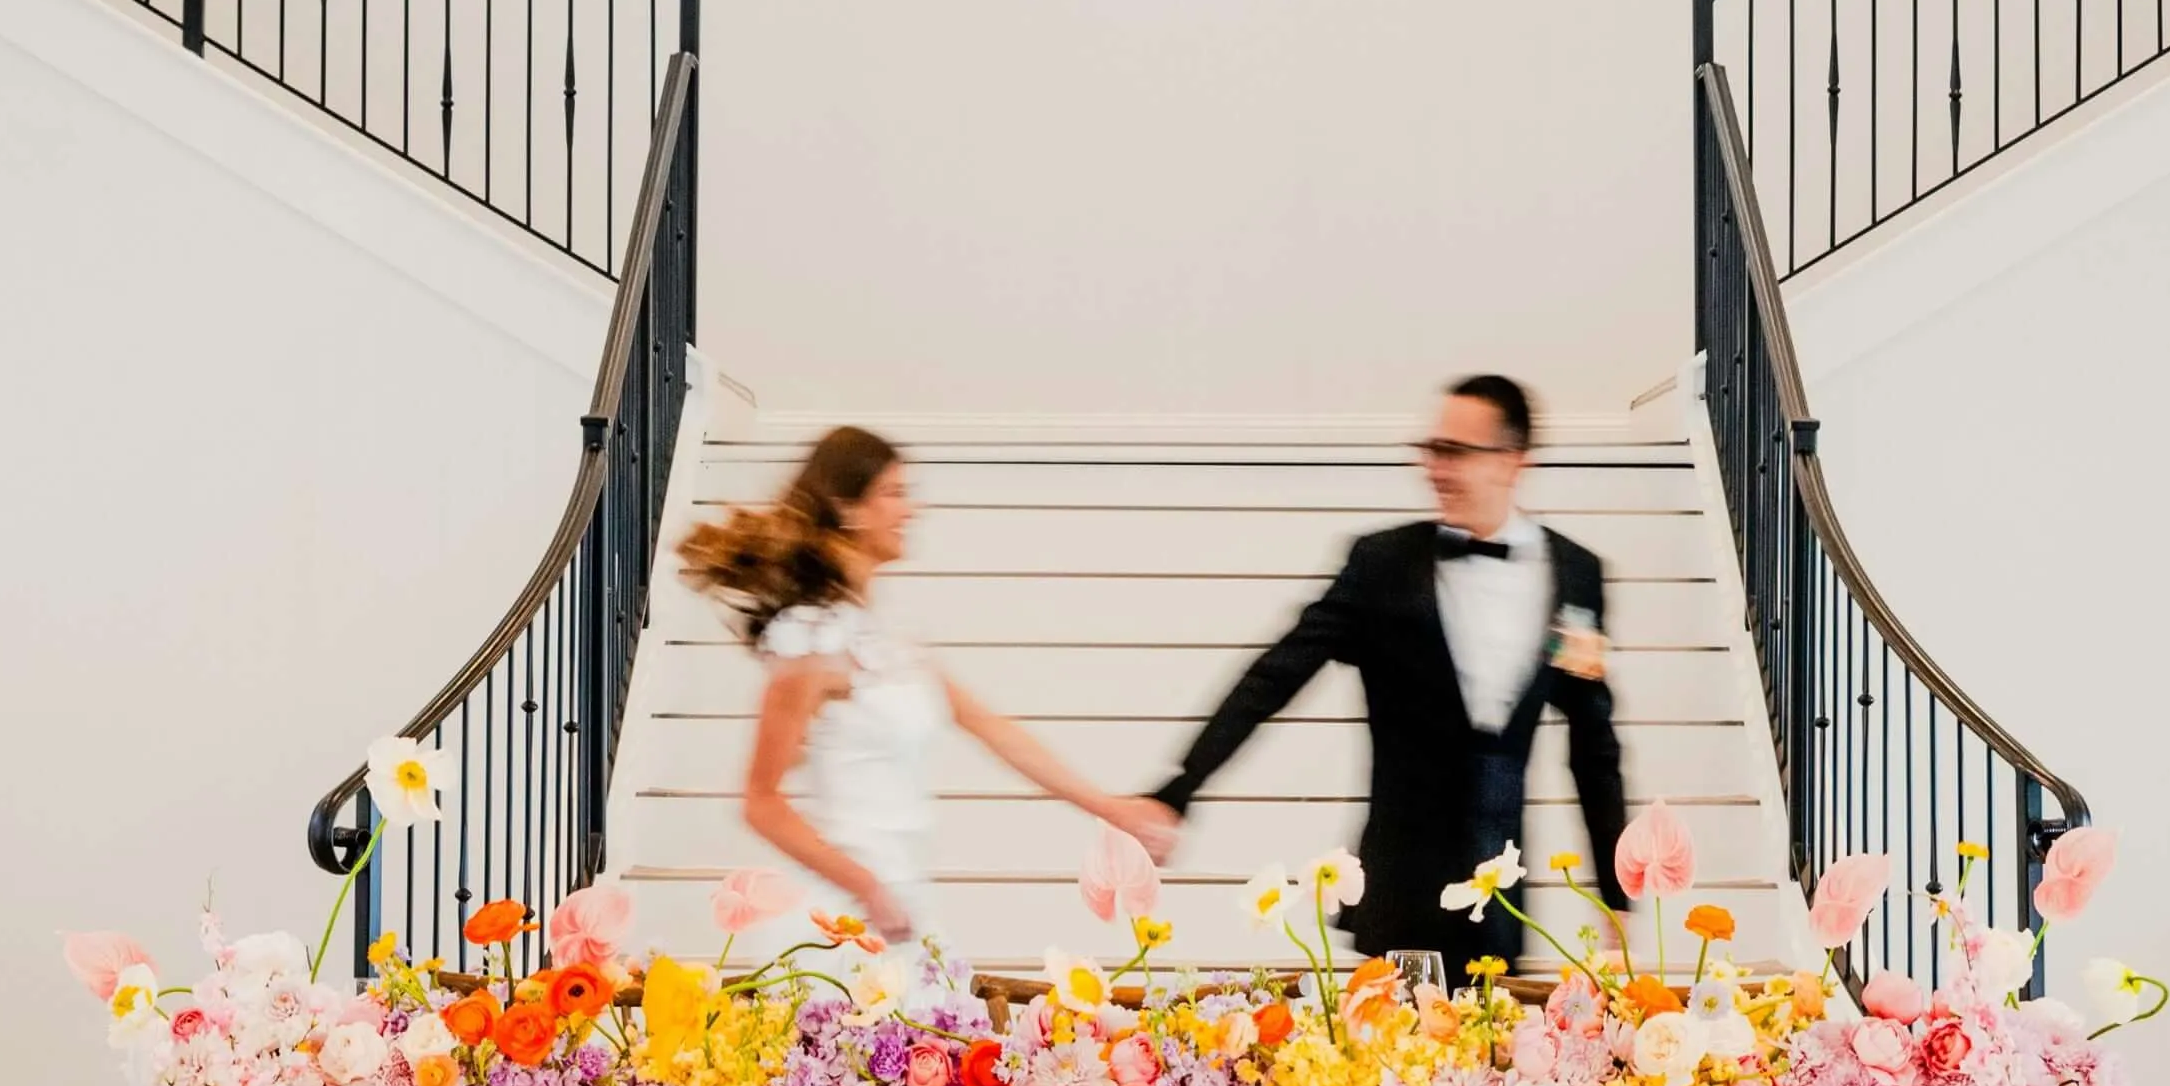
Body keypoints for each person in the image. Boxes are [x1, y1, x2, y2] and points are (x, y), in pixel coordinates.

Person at [1140, 375, 1626, 971]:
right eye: (1430, 449)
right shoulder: (1382, 565)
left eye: (1455, 452)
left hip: (1500, 913)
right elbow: (1275, 678)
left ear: (1512, 462)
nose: (1434, 468)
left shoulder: (1576, 575)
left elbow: (1593, 745)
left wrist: (1615, 889)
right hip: (1397, 903)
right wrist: (1181, 789)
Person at [677, 425, 1177, 951]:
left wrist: (1113, 809)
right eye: (894, 493)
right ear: (848, 508)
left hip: (906, 905)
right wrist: (864, 887)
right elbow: (762, 802)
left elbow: (994, 730)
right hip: (840, 920)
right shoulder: (811, 639)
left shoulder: (891, 637)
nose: (910, 510)